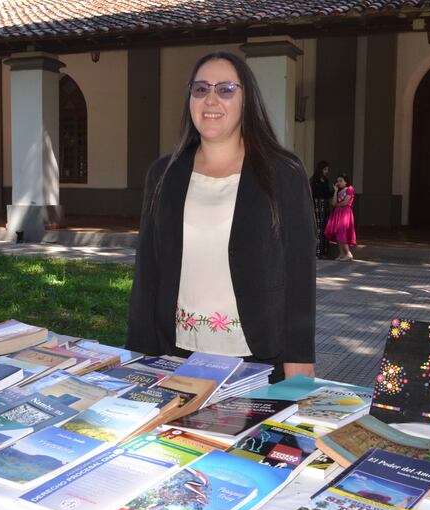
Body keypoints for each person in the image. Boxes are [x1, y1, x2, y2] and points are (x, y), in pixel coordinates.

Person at [126, 51, 316, 382]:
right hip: (177, 353)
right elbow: (147, 273)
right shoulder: (163, 174)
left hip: (256, 356)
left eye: (226, 89)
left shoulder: (282, 173)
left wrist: (299, 360)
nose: (211, 99)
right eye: (200, 89)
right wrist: (139, 354)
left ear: (247, 99)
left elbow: (299, 273)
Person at [324, 174, 356, 261]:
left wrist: (337, 205)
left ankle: (348, 253)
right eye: (337, 181)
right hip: (338, 213)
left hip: (345, 212)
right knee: (338, 233)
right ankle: (342, 254)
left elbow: (345, 202)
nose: (338, 183)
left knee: (342, 232)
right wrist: (335, 191)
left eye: (341, 181)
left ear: (346, 182)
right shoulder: (338, 191)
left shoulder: (350, 189)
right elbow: (333, 203)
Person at [310, 161, 333, 259]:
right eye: (325, 169)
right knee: (318, 229)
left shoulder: (325, 180)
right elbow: (311, 194)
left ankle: (324, 252)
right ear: (320, 169)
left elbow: (327, 194)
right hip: (316, 207)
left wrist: (335, 190)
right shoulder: (313, 180)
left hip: (325, 207)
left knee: (325, 229)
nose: (326, 171)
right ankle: (316, 252)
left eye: (327, 169)